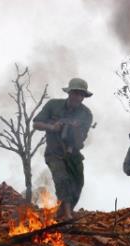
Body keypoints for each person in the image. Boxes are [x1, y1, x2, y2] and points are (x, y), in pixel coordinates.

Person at [33, 78, 93, 220]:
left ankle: (62, 213)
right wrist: (52, 127)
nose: (78, 97)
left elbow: (82, 139)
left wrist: (75, 129)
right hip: (54, 153)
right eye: (75, 93)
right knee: (62, 180)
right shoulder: (54, 105)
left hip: (73, 154)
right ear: (69, 93)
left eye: (81, 94)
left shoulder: (86, 114)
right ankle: (67, 215)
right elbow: (36, 123)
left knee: (78, 184)